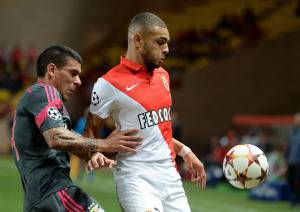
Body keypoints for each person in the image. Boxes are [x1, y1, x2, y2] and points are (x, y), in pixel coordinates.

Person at [84, 12, 206, 212]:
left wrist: (186, 152)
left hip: (170, 178)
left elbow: (157, 132)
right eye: (160, 42)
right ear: (138, 40)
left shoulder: (163, 76)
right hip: (135, 177)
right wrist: (94, 153)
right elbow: (89, 133)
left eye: (167, 43)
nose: (166, 49)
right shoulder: (108, 84)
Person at [11, 45, 142, 212]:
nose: (78, 81)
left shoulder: (35, 99)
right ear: (51, 70)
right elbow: (56, 137)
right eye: (73, 73)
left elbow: (65, 136)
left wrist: (91, 154)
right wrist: (105, 144)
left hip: (40, 199)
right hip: (55, 193)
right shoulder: (44, 92)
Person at [286, 113, 300, 207]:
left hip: (299, 162)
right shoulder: (292, 133)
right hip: (291, 161)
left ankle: (296, 200)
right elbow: (289, 147)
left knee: (297, 182)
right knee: (290, 181)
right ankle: (294, 198)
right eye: (296, 119)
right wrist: (286, 158)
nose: (297, 121)